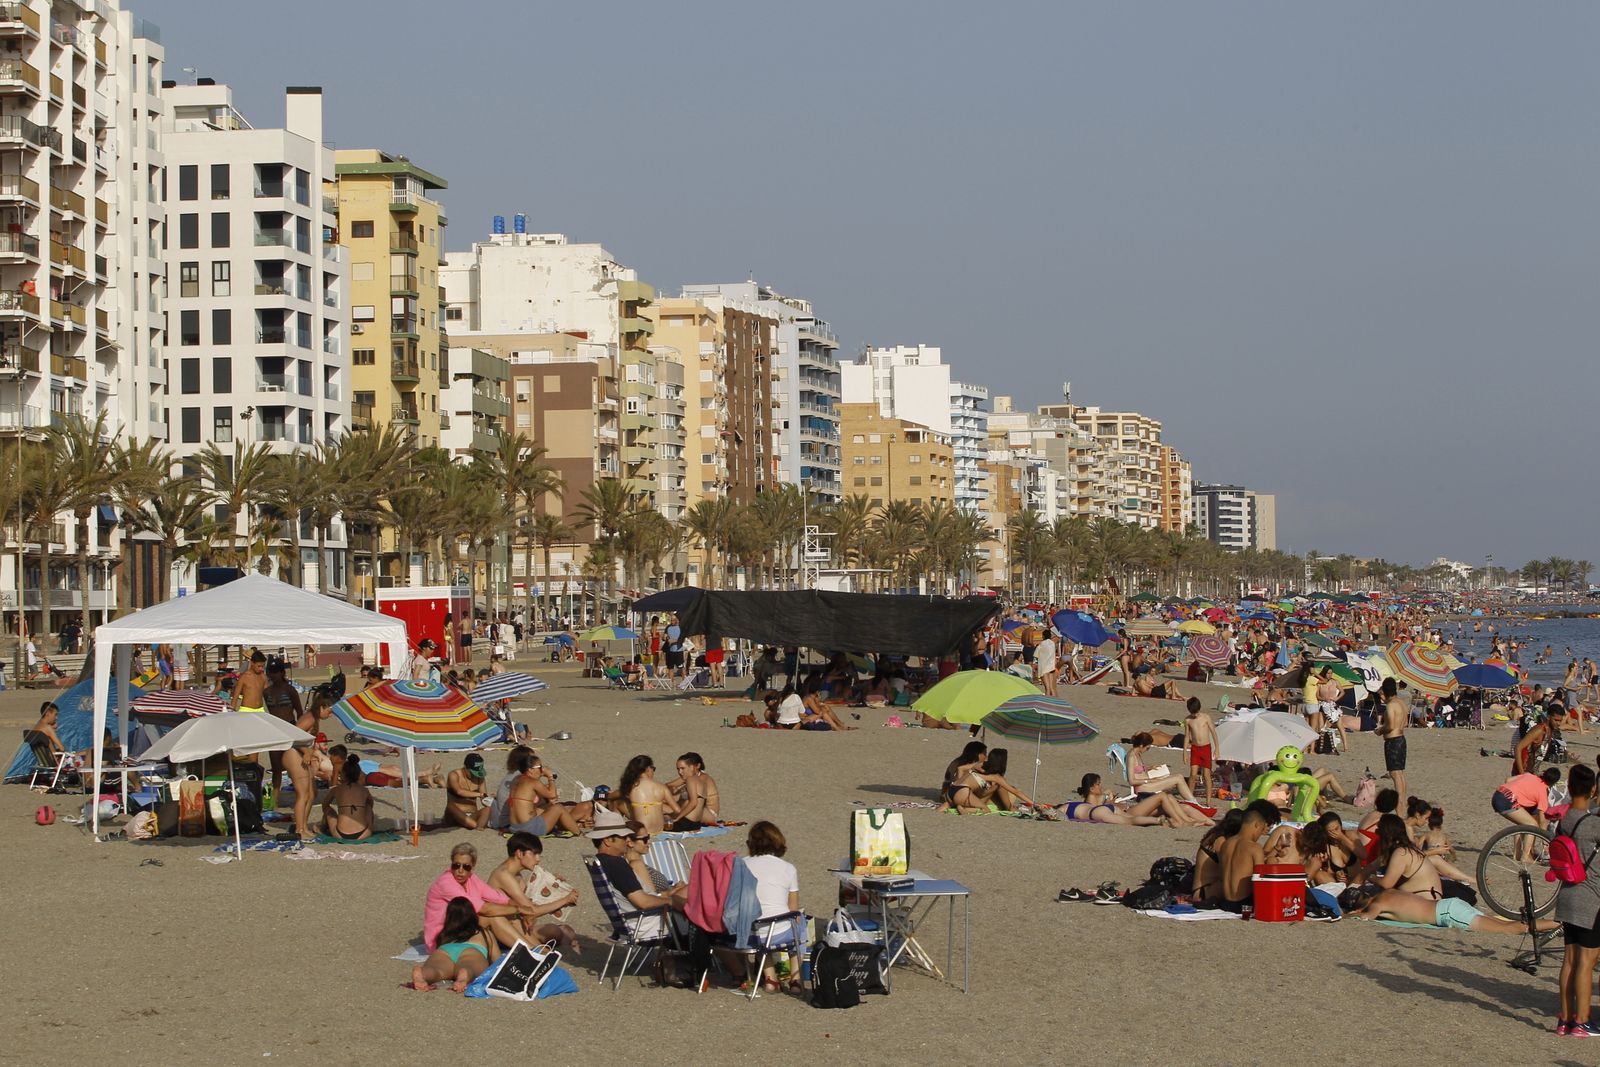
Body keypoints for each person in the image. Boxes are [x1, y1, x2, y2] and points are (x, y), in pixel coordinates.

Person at [726, 821, 801, 989]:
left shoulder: (740, 865)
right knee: (799, 924)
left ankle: (770, 978)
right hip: (777, 932)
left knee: (759, 924)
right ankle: (795, 979)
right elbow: (793, 909)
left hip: (745, 932)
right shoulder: (788, 868)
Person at [1556, 763, 1600, 1037]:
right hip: (1591, 899)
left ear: (1570, 788)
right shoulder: (1594, 824)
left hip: (1567, 894)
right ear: (1593, 789)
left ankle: (1564, 1020)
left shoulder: (1565, 820)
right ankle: (1582, 1021)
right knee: (1587, 960)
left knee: (1570, 960)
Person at [485, 832, 582, 954]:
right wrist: (565, 900)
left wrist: (554, 886)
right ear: (520, 853)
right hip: (502, 931)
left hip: (518, 926)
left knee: (563, 931)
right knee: (545, 950)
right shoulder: (503, 875)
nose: (538, 859)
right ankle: (546, 951)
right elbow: (532, 911)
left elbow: (530, 904)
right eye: (534, 854)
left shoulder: (516, 875)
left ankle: (565, 949)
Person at [422, 842, 527, 952]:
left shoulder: (471, 879)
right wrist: (520, 909)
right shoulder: (446, 883)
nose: (460, 870)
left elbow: (501, 899)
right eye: (456, 865)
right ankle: (529, 951)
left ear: (473, 866)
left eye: (466, 867)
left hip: (459, 929)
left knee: (512, 918)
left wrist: (525, 911)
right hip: (441, 939)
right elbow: (485, 909)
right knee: (493, 917)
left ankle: (535, 949)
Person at [589, 810, 682, 928]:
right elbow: (643, 902)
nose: (626, 841)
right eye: (623, 837)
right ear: (607, 840)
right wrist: (671, 901)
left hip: (631, 923)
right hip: (647, 923)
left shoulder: (600, 862)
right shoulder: (616, 864)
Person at [1350, 887, 1558, 935]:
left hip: (1449, 914)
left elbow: (1366, 917)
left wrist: (1350, 915)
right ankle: (1559, 925)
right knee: (1506, 925)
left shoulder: (1377, 905)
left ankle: (1561, 924)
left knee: (1509, 929)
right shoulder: (1388, 892)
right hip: (1450, 904)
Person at [410, 897, 497, 992]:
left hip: (445, 950)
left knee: (437, 971)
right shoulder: (483, 932)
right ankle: (465, 974)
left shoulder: (444, 933)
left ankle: (423, 973)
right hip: (472, 951)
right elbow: (497, 959)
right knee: (471, 968)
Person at [1062, 773, 1210, 827]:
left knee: (1178, 803)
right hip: (1130, 812)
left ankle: (1210, 823)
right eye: (1099, 784)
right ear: (1092, 788)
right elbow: (1106, 808)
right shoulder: (1092, 804)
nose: (1101, 787)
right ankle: (1184, 822)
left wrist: (1109, 798)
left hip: (1129, 809)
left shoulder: (1099, 799)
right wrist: (1112, 801)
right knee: (1162, 796)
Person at [504, 750, 589, 837]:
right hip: (529, 829)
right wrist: (550, 776)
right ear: (530, 770)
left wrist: (540, 774)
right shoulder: (533, 782)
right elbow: (552, 795)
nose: (542, 770)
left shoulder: (516, 780)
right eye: (540, 767)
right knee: (558, 807)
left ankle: (571, 824)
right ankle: (578, 832)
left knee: (547, 806)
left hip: (514, 828)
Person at [1216, 800, 1281, 912]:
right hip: (1244, 904)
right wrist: (1271, 862)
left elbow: (1223, 874)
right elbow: (1261, 881)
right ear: (1257, 825)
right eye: (1261, 829)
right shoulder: (1254, 848)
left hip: (1226, 903)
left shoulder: (1226, 844)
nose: (1260, 834)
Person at [1371, 812, 1442, 900]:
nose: (1376, 833)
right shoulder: (1408, 849)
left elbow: (1386, 884)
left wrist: (1370, 877)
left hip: (1424, 900)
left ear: (1386, 834)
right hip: (1427, 899)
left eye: (1378, 831)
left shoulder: (1401, 853)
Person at [1127, 732, 1202, 804]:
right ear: (1141, 745)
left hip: (1147, 783)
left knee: (1178, 776)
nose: (1147, 750)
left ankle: (1192, 801)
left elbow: (1136, 769)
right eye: (1147, 748)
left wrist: (1149, 768)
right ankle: (1193, 802)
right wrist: (1149, 780)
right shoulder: (1131, 757)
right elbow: (1131, 781)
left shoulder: (1136, 753)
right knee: (1178, 778)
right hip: (1143, 787)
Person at [618, 754, 680, 835]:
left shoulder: (631, 787)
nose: (653, 772)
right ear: (648, 768)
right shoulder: (661, 787)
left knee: (617, 803)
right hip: (659, 830)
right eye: (653, 769)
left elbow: (617, 796)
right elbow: (677, 810)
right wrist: (666, 816)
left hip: (643, 832)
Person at [321, 751, 375, 840]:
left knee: (328, 809)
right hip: (364, 833)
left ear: (343, 774)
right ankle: (370, 827)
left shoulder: (336, 789)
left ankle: (323, 827)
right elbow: (371, 805)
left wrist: (340, 811)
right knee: (368, 807)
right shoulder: (364, 790)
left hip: (339, 834)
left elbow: (325, 805)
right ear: (358, 774)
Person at [665, 752, 721, 831]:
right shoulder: (690, 777)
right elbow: (668, 785)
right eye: (678, 769)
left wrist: (676, 791)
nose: (680, 772)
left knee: (678, 799)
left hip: (709, 813)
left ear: (696, 766)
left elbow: (694, 802)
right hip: (697, 812)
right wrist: (673, 789)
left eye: (683, 768)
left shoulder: (703, 778)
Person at [1379, 678, 1409, 804]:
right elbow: (1405, 723)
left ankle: (1400, 800)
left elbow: (1390, 726)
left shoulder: (1391, 705)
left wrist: (1380, 730)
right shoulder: (1402, 703)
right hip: (1401, 739)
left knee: (1395, 774)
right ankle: (1403, 799)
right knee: (1399, 773)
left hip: (1393, 741)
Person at [444, 753, 492, 830]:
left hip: (472, 815)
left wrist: (490, 800)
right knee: (451, 806)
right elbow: (459, 791)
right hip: (454, 814)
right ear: (465, 767)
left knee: (488, 809)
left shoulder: (480, 777)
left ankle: (478, 827)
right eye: (472, 772)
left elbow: (484, 800)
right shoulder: (454, 775)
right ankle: (475, 825)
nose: (474, 775)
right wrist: (479, 794)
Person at [1182, 697, 1217, 801]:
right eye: (1192, 713)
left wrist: (1217, 749)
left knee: (1206, 775)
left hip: (1206, 748)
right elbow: (1187, 736)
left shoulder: (1206, 718)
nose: (1194, 715)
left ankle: (1208, 800)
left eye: (1196, 713)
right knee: (1193, 774)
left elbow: (1214, 733)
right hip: (1195, 749)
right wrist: (1184, 753)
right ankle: (1190, 798)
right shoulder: (1188, 720)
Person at [1034, 630, 1059, 696]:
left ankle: (1048, 701)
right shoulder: (1052, 643)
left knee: (1047, 689)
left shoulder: (1042, 644)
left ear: (1043, 636)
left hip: (1044, 667)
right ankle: (1055, 701)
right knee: (1052, 688)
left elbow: (1036, 655)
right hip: (1052, 667)